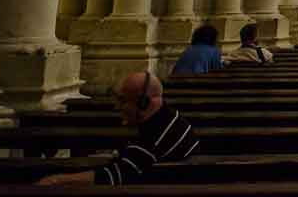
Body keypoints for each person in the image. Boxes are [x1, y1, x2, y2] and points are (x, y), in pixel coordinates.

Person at [36, 72, 197, 186]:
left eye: (123, 100)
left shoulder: (151, 140)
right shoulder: (171, 118)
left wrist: (57, 180)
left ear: (144, 103)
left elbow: (110, 177)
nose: (117, 106)